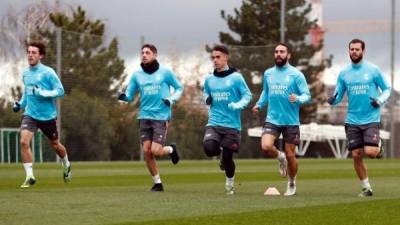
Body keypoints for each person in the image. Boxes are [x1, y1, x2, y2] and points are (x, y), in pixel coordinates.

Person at [327, 39, 391, 197]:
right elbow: (338, 94)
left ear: (363, 51)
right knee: (356, 155)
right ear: (349, 51)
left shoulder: (373, 70)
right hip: (352, 120)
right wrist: (332, 100)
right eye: (351, 49)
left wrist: (379, 101)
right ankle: (366, 188)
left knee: (370, 152)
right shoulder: (344, 73)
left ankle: (379, 147)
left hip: (371, 118)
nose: (354, 52)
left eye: (357, 49)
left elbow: (387, 89)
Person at [118, 44, 183, 192]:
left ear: (155, 55)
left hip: (161, 116)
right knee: (147, 151)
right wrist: (123, 97)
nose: (144, 55)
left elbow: (179, 87)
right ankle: (158, 183)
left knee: (156, 151)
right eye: (142, 52)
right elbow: (129, 94)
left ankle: (171, 150)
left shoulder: (165, 72)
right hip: (144, 116)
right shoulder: (136, 75)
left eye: (147, 52)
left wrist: (172, 100)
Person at [252, 43, 311, 196]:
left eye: (282, 52)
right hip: (273, 119)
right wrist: (259, 104)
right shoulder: (268, 73)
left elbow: (307, 95)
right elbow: (266, 91)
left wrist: (297, 98)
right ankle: (280, 157)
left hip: (291, 121)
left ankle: (291, 183)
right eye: (276, 52)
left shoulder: (296, 75)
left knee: (291, 155)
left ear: (288, 55)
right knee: (266, 146)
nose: (278, 54)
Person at [13, 42, 71, 188]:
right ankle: (29, 176)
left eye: (34, 53)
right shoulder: (25, 74)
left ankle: (66, 164)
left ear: (41, 56)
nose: (30, 55)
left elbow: (60, 91)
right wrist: (20, 105)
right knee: (23, 142)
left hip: (47, 116)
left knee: (55, 145)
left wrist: (43, 93)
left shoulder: (48, 72)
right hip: (30, 114)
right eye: (29, 52)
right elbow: (27, 94)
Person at [203, 45, 252, 195]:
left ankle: (230, 183)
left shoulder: (236, 77)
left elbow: (247, 95)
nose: (215, 60)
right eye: (213, 57)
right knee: (209, 149)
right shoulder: (209, 79)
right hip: (214, 123)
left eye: (218, 57)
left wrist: (237, 105)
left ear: (226, 57)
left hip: (232, 125)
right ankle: (221, 157)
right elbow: (205, 92)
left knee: (228, 157)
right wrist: (207, 98)